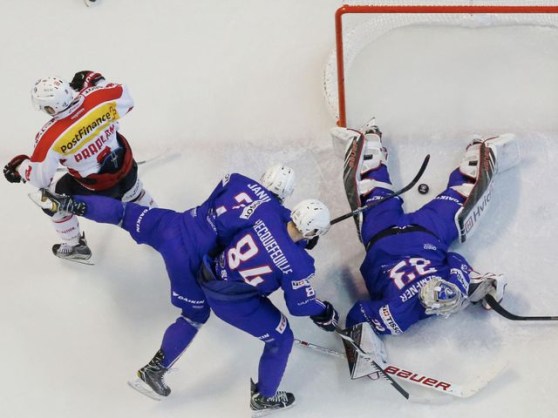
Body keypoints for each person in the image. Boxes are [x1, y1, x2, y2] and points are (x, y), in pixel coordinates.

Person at [31, 165, 298, 401]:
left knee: (124, 213)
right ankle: (154, 372)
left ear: (264, 177)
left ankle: (68, 203)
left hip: (175, 223)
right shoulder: (273, 215)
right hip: (191, 256)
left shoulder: (236, 178)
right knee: (194, 315)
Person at [330, 118, 519, 348]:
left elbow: (457, 261)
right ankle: (369, 144)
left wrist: (482, 284)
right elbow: (359, 313)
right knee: (372, 192)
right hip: (385, 235)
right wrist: (359, 343)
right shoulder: (397, 314)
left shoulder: (442, 290)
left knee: (462, 198)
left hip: (426, 233)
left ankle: (479, 153)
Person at [197, 198, 338, 416]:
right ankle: (264, 398)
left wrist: (299, 240)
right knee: (282, 338)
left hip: (210, 273)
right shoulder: (298, 264)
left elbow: (271, 227)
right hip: (232, 302)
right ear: (312, 232)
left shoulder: (266, 213)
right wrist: (324, 312)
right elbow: (300, 305)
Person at [3, 71, 155, 263]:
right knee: (137, 195)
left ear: (50, 108)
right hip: (127, 170)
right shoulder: (97, 97)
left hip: (98, 189)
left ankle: (75, 245)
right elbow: (126, 99)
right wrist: (96, 81)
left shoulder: (50, 137)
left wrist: (19, 166)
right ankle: (156, 227)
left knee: (48, 199)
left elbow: (39, 179)